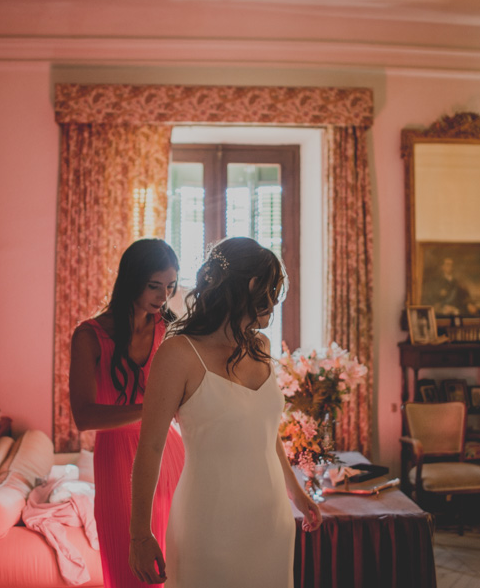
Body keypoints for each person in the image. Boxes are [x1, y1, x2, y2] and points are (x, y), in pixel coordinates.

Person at [129, 237, 322, 587]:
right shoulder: (178, 354)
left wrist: (296, 492)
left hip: (272, 521)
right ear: (245, 288)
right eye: (270, 291)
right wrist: (139, 535)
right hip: (210, 527)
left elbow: (264, 432)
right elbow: (150, 448)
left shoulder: (260, 346)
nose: (275, 302)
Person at [69, 238, 185, 588]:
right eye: (154, 286)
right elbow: (84, 417)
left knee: (175, 568)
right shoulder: (89, 336)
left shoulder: (171, 329)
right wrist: (152, 410)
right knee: (130, 572)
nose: (163, 296)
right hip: (116, 462)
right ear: (131, 279)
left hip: (169, 455)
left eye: (170, 286)